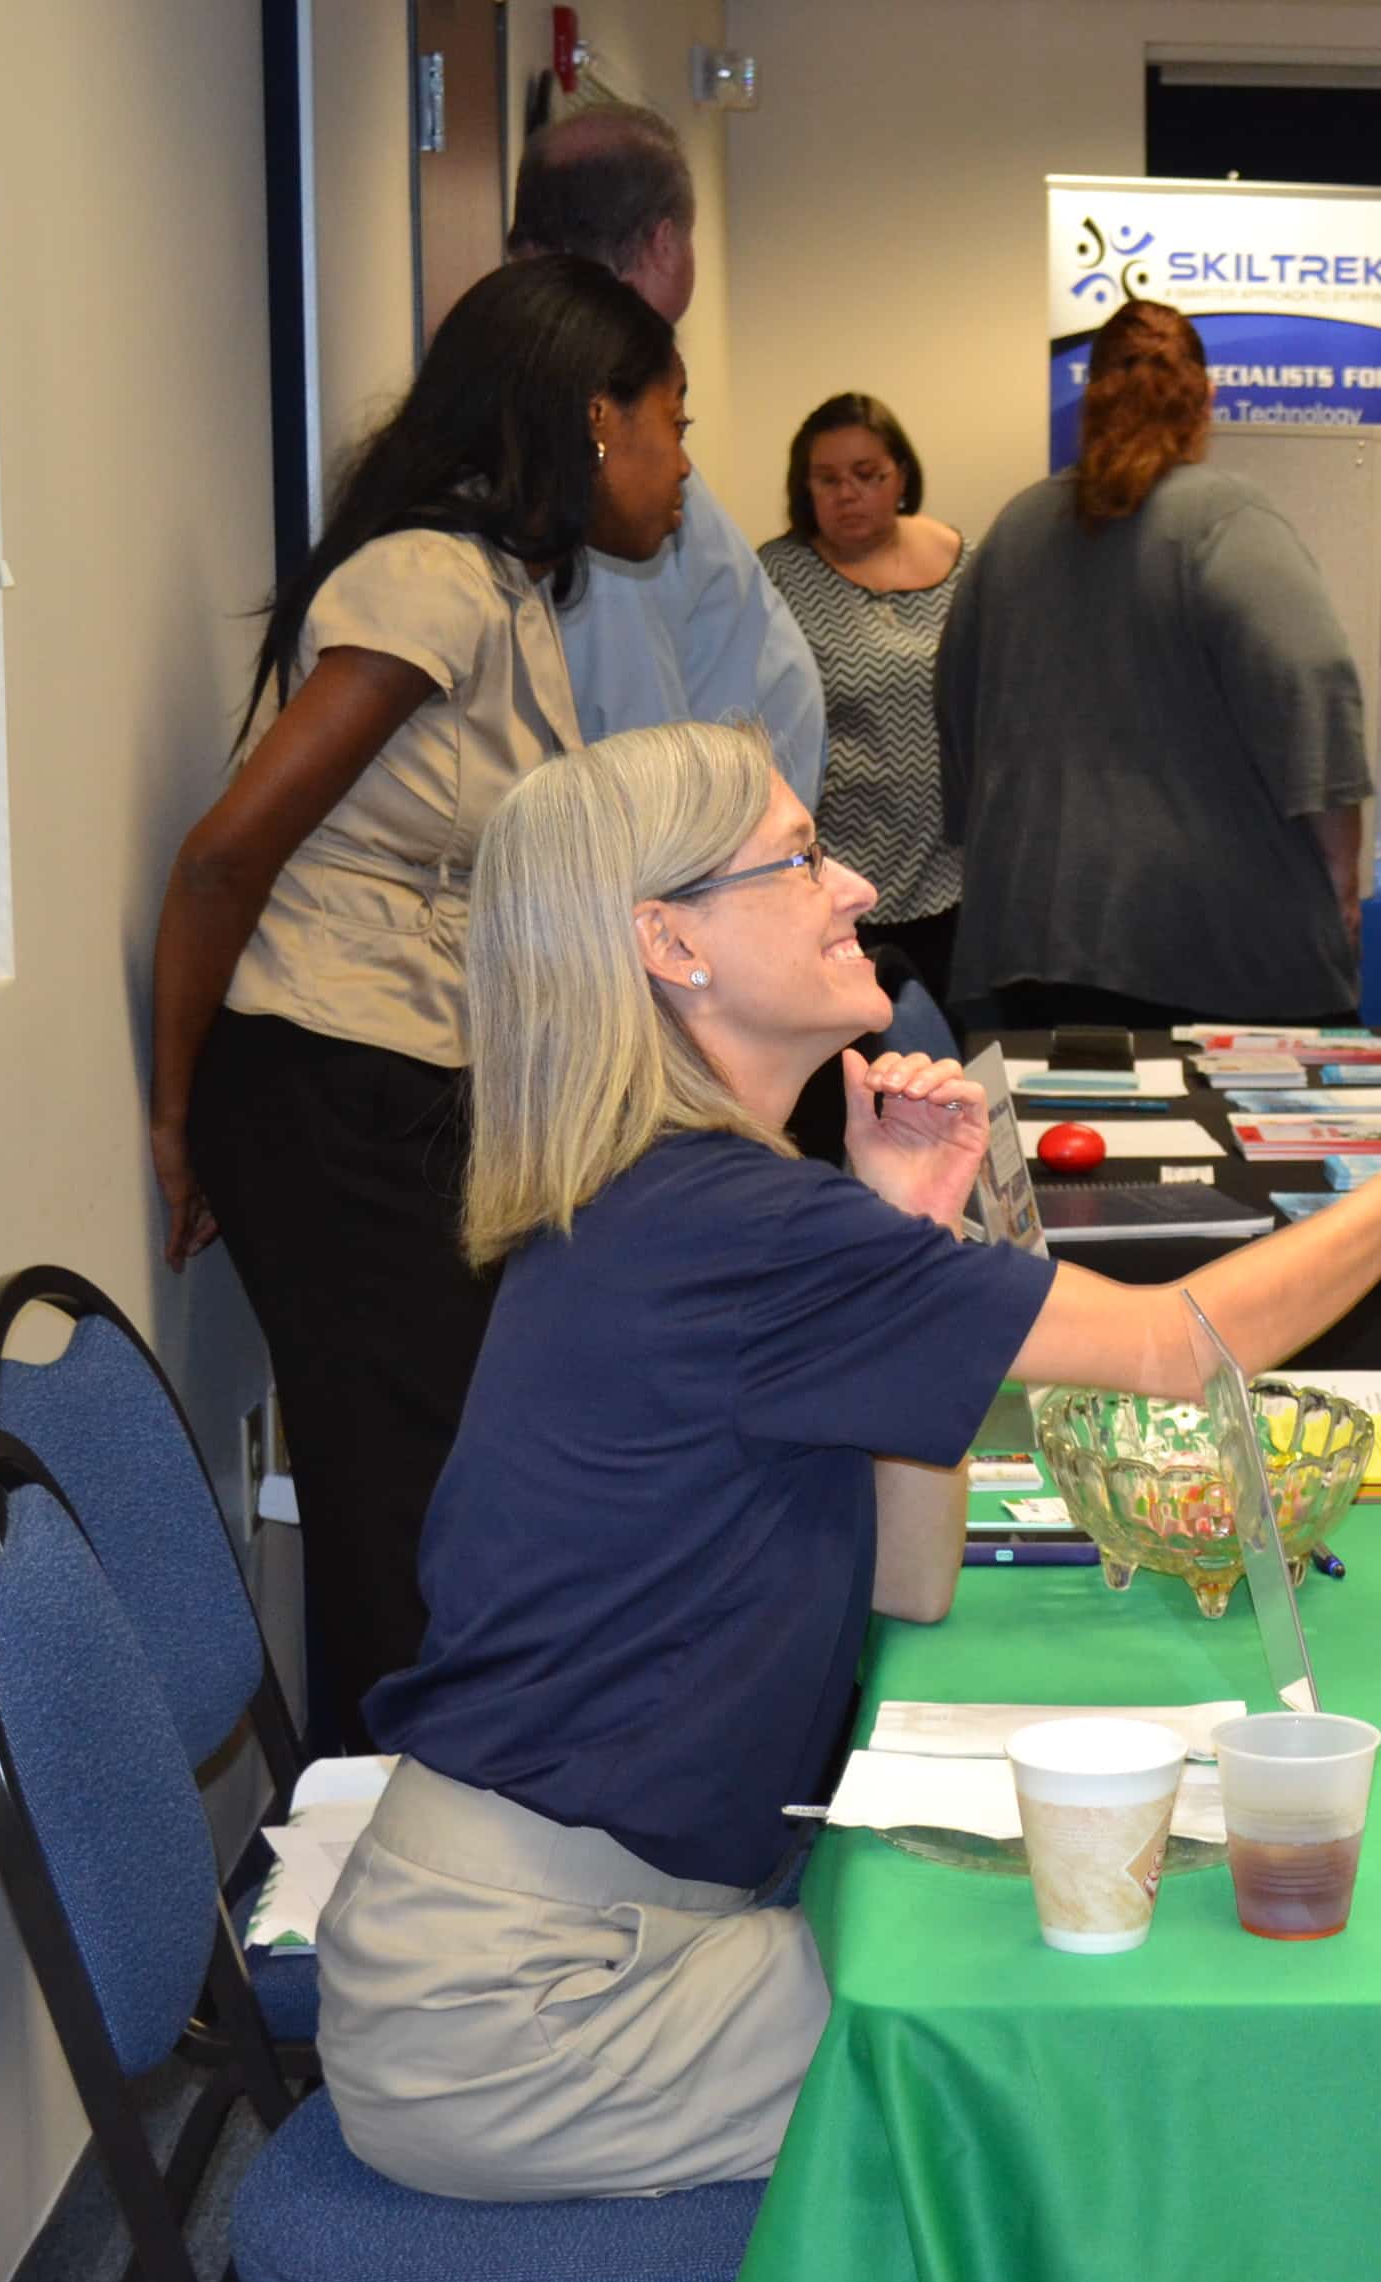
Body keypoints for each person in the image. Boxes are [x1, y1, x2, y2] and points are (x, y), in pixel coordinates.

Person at [315, 721, 1381, 2201]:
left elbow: (910, 1585)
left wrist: (911, 1232)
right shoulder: (732, 1227)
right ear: (671, 941)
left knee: (1076, 1959)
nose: (855, 884)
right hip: (533, 2014)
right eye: (797, 858)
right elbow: (1187, 1348)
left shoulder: (690, 1203)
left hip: (566, 1940)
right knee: (1107, 2046)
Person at [148, 255, 689, 1753]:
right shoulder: (427, 580)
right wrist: (179, 1114)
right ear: (595, 418)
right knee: (402, 1492)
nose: (684, 460)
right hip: (324, 1088)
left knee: (437, 1479)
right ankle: (390, 1864)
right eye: (672, 416)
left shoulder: (499, 583)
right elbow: (223, 856)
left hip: (401, 1086)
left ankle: (430, 1827)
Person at [937, 299, 1368, 1029]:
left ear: (1090, 398)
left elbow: (954, 708)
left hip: (1032, 939)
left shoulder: (1013, 531)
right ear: (1207, 399)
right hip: (1214, 949)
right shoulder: (1227, 518)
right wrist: (1341, 873)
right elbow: (1312, 683)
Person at [509, 101, 824, 801]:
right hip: (684, 864)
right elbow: (627, 732)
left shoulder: (543, 389)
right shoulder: (598, 440)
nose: (678, 462)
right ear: (662, 244)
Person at [759, 393, 966, 1004]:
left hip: (954, 874)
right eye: (827, 479)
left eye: (867, 475)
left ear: (901, 475)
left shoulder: (964, 563)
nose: (847, 493)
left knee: (948, 1057)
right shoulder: (775, 577)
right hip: (836, 873)